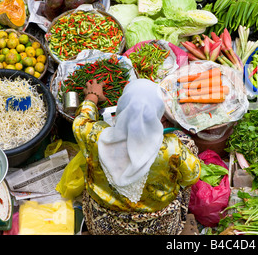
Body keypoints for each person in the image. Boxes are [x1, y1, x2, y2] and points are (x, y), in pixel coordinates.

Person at [72, 78, 201, 235]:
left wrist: (92, 95)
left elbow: (79, 122)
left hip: (104, 226)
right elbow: (191, 177)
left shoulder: (95, 136)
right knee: (186, 142)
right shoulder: (172, 149)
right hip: (160, 228)